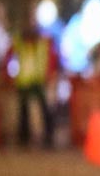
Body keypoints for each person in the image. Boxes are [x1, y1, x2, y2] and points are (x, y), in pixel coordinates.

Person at [4, 16, 60, 147]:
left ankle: (48, 136)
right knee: (24, 111)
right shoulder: (18, 41)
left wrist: (50, 74)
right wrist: (8, 76)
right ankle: (24, 137)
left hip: (39, 81)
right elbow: (7, 58)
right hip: (23, 81)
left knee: (44, 109)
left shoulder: (43, 42)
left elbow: (53, 59)